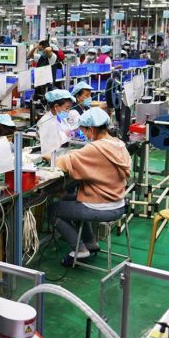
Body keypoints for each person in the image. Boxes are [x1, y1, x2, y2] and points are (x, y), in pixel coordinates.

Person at [53, 108, 131, 266]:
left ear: (92, 129)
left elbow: (64, 162)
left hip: (101, 207)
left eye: (84, 131)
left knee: (53, 210)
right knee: (71, 198)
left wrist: (48, 155)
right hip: (118, 203)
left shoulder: (95, 148)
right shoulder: (119, 144)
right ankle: (90, 242)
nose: (84, 135)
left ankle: (79, 250)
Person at [37, 89, 75, 159]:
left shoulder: (60, 116)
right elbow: (49, 151)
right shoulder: (46, 123)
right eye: (67, 108)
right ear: (56, 107)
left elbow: (68, 133)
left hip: (64, 155)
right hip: (53, 160)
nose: (68, 111)